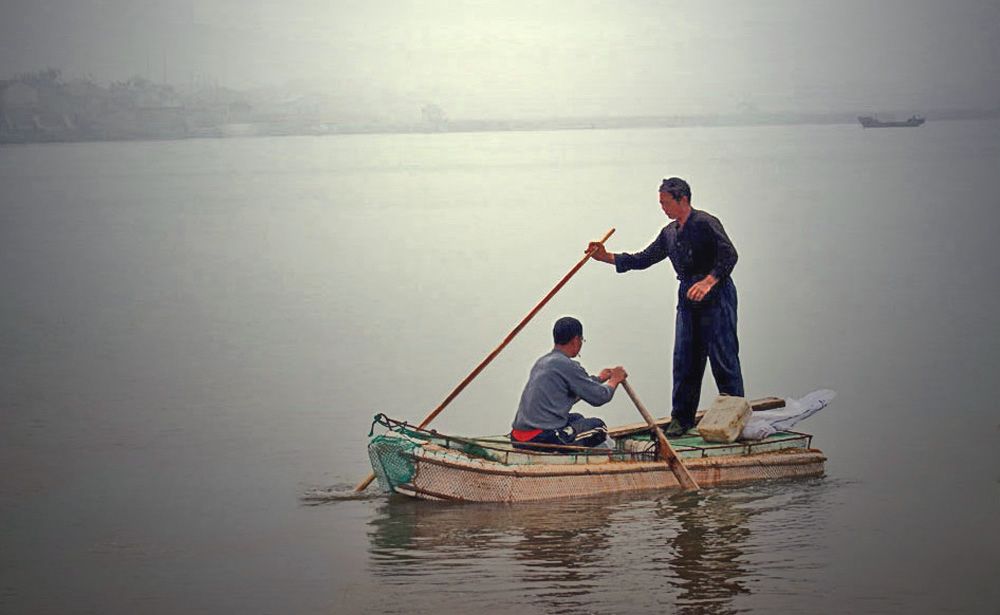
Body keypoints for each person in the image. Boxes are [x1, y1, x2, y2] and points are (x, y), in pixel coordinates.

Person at [588, 177, 744, 437]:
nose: (662, 208)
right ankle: (681, 419)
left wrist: (709, 281)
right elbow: (643, 258)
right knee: (685, 359)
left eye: (666, 202)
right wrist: (606, 257)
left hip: (716, 296)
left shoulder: (706, 222)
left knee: (723, 358)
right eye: (660, 203)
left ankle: (736, 418)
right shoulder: (670, 233)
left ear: (683, 199)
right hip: (687, 298)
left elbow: (730, 254)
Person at [510, 316, 627, 451]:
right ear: (576, 340)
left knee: (577, 418)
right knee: (598, 427)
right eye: (581, 340)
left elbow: (568, 393)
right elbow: (600, 397)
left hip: (518, 437)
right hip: (540, 439)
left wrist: (599, 379)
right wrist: (614, 380)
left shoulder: (543, 362)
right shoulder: (567, 365)